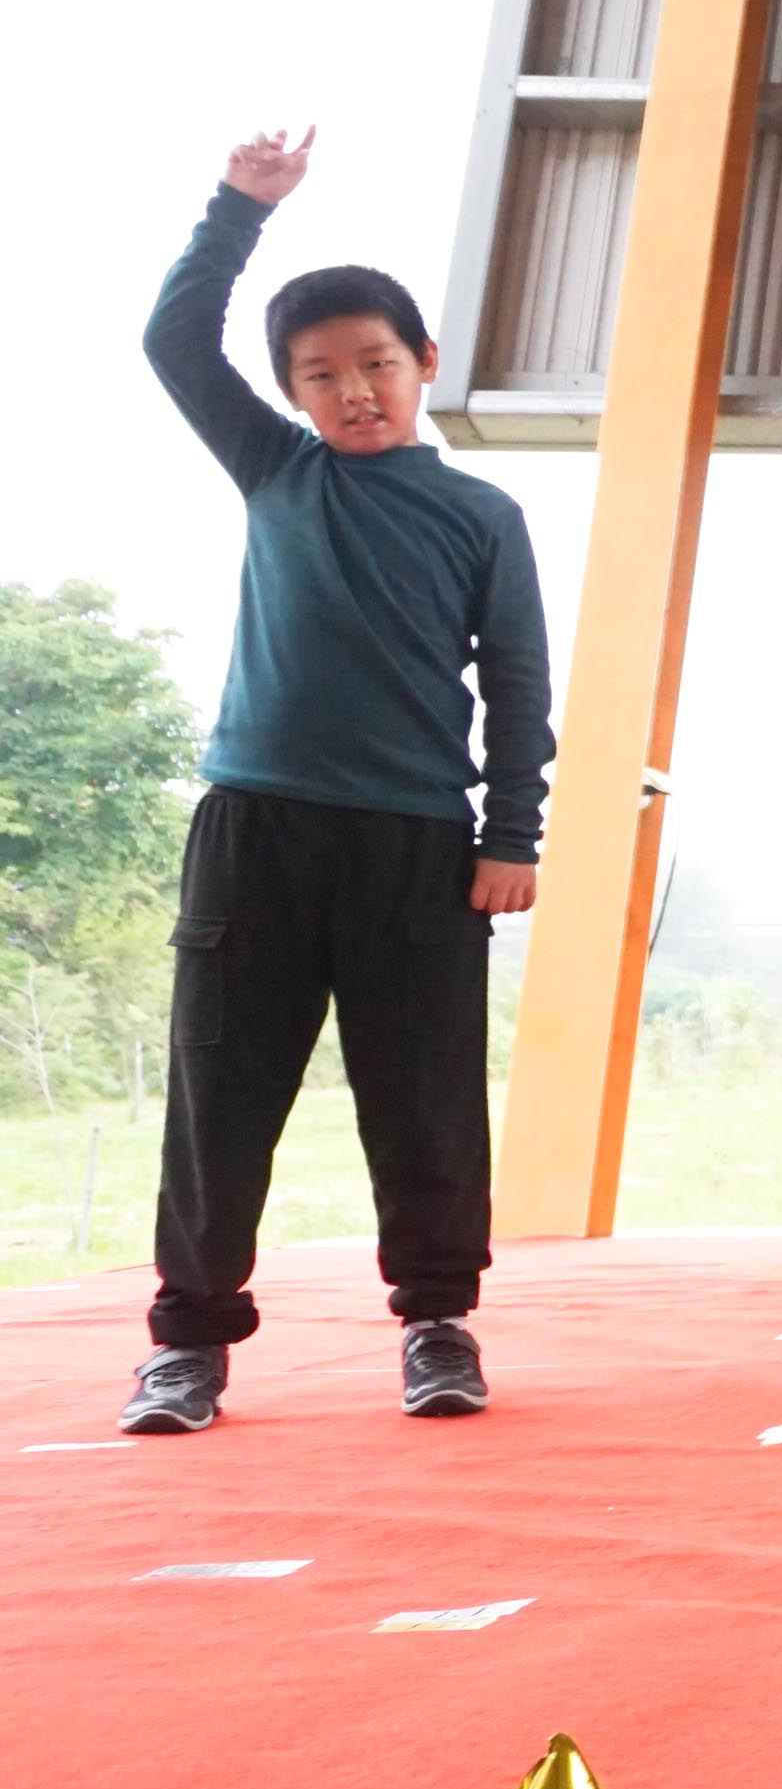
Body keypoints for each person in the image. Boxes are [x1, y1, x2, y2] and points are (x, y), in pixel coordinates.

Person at [122, 130, 553, 1436]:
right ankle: (188, 1344)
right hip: (255, 830)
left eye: (377, 363)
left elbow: (518, 684)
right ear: (292, 395)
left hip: (418, 848)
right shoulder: (278, 471)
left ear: (424, 364)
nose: (355, 391)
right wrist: (237, 209)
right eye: (322, 375)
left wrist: (512, 833)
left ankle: (438, 1323)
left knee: (425, 1098)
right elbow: (174, 343)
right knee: (221, 1094)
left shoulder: (482, 517)